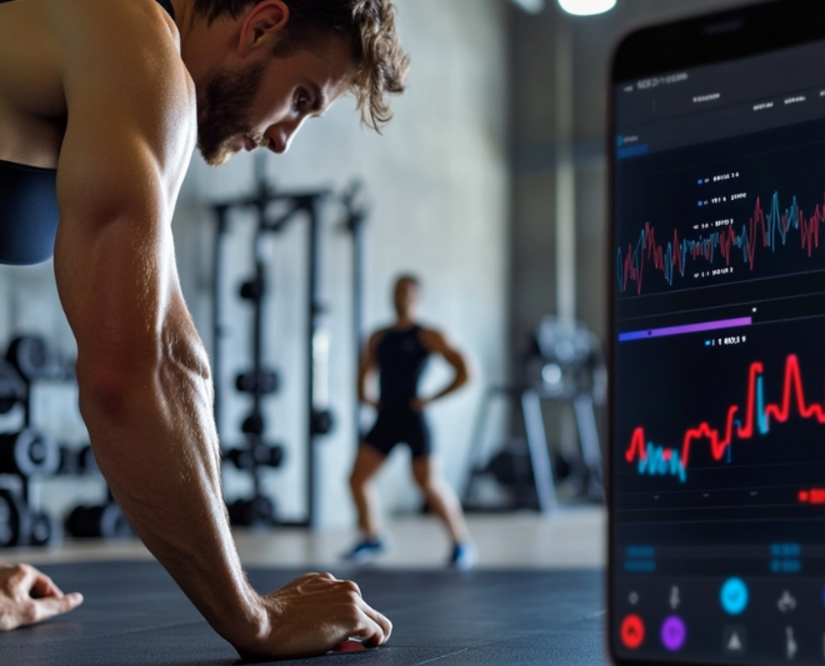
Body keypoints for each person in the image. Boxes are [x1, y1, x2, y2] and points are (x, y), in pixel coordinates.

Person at [0, 0, 408, 658]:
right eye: (301, 99)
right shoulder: (136, 41)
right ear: (261, 24)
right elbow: (134, 371)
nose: (284, 138)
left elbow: (175, 354)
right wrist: (254, 617)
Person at [346, 275, 476, 569]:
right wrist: (365, 395)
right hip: (386, 417)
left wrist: (433, 398)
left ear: (417, 297)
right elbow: (364, 371)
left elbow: (466, 371)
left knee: (428, 484)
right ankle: (372, 536)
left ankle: (461, 543)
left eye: (406, 292)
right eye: (396, 291)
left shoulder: (428, 335)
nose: (400, 297)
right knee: (357, 479)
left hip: (413, 418)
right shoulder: (378, 336)